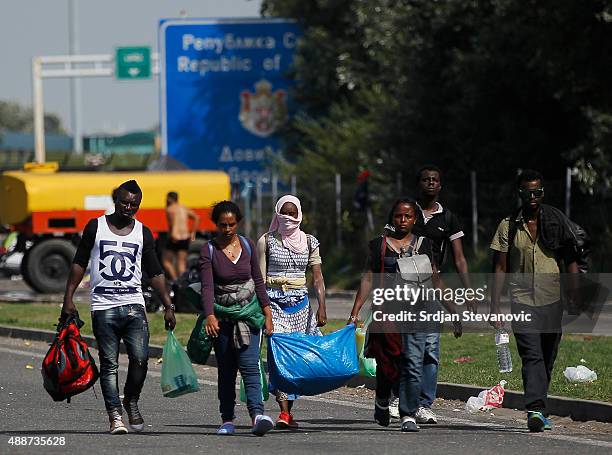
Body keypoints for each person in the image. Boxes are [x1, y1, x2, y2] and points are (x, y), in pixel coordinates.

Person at [61, 179, 176, 435]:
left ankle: (131, 400)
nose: (128, 207)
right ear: (115, 200)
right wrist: (68, 298)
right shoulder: (96, 226)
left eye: (134, 204)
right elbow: (79, 263)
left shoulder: (143, 232)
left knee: (141, 359)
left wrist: (168, 304)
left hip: (134, 305)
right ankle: (115, 415)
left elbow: (154, 270)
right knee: (109, 364)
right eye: (124, 202)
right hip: (103, 306)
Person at [348, 198, 461, 432]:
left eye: (407, 216)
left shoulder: (424, 245)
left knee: (411, 362)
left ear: (414, 219)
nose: (403, 220)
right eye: (399, 216)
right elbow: (369, 277)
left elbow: (435, 279)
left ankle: (408, 413)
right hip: (386, 313)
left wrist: (452, 310)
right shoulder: (378, 245)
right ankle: (382, 399)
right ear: (392, 217)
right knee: (388, 364)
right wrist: (355, 311)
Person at [490, 169, 580, 432]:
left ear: (543, 193)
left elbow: (571, 256)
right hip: (522, 300)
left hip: (553, 299)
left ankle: (541, 406)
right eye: (528, 192)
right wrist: (495, 306)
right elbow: (499, 268)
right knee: (531, 355)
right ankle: (536, 410)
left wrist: (575, 291)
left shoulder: (555, 221)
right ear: (519, 193)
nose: (533, 196)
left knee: (548, 356)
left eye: (537, 191)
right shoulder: (508, 225)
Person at [397, 165, 475, 424]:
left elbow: (460, 258)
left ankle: (424, 404)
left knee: (430, 347)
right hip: (405, 284)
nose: (430, 183)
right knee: (406, 347)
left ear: (440, 186)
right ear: (418, 184)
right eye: (425, 180)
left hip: (432, 283)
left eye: (435, 180)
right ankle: (403, 397)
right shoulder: (406, 212)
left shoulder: (448, 218)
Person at [199, 200, 275, 436]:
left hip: (249, 316)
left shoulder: (247, 245)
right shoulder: (209, 250)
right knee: (227, 371)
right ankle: (227, 419)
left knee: (251, 367)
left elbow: (258, 280)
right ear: (216, 225)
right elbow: (207, 287)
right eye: (223, 225)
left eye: (232, 224)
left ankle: (257, 415)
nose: (228, 229)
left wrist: (267, 311)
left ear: (238, 223)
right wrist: (210, 315)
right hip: (222, 318)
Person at [257, 195, 327, 429]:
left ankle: (289, 411)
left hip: (301, 307)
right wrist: (263, 310)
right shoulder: (266, 241)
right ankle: (284, 412)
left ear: (299, 215)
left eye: (292, 213)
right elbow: (260, 279)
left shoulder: (309, 242)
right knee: (279, 358)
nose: (288, 218)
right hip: (274, 306)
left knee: (296, 360)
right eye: (283, 214)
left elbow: (317, 277)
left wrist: (322, 306)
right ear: (277, 214)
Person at [163, 191, 200, 281]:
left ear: (170, 199)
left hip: (175, 237)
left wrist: (171, 235)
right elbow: (196, 217)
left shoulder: (170, 209)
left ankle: (175, 280)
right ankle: (183, 282)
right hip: (185, 237)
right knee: (181, 262)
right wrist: (193, 232)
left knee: (166, 262)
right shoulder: (183, 208)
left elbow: (172, 224)